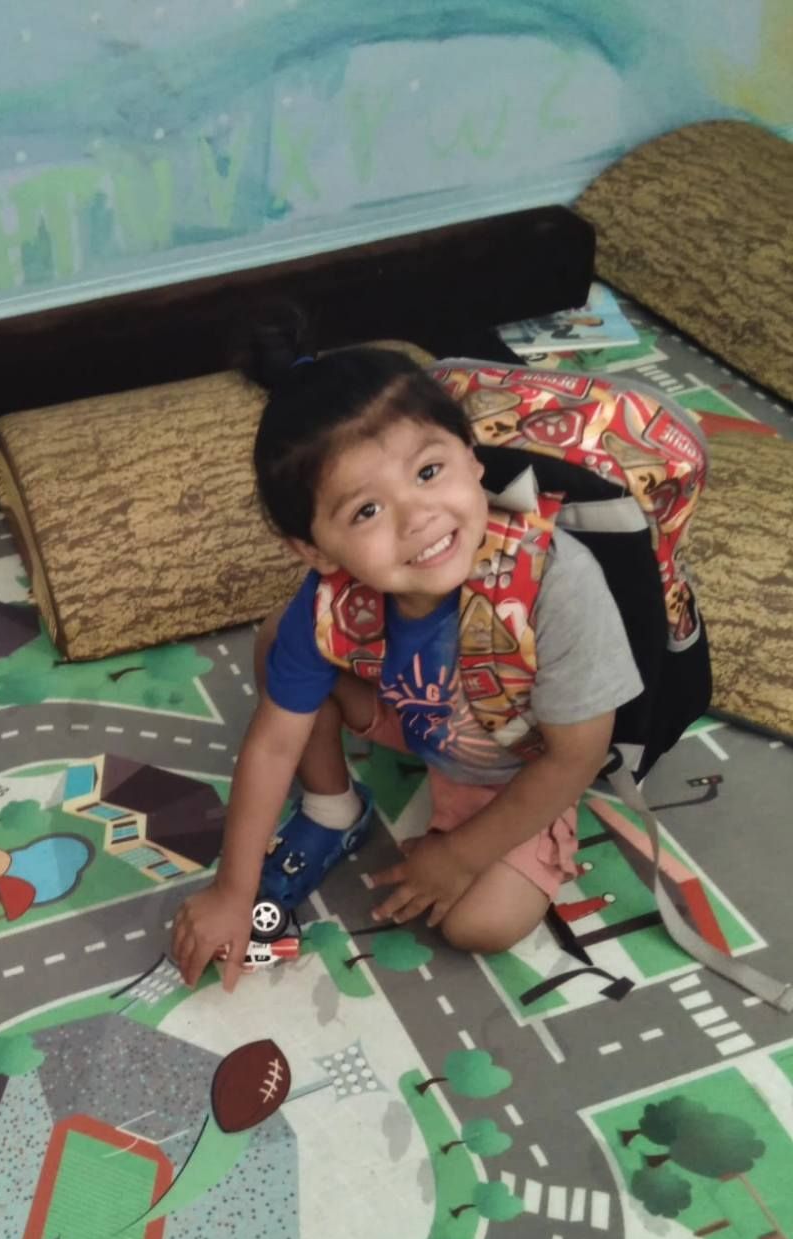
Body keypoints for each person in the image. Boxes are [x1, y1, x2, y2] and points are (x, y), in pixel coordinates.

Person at [173, 321, 644, 990]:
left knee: (476, 925)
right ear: (312, 548)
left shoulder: (556, 584)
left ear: (473, 456)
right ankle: (334, 809)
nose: (417, 516)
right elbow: (274, 745)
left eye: (429, 471)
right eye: (366, 511)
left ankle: (481, 839)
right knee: (282, 635)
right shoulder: (329, 598)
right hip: (422, 715)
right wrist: (232, 890)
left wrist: (456, 856)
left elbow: (577, 756)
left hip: (521, 763)